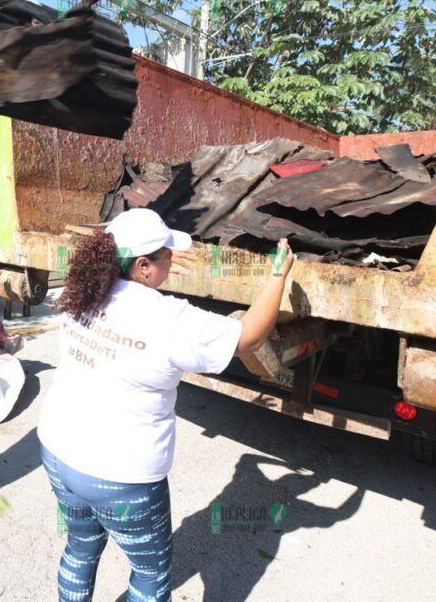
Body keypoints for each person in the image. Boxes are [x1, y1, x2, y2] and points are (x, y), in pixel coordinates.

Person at [37, 208, 294, 602]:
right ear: (143, 266)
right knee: (150, 575)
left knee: (80, 547)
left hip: (58, 453)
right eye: (166, 255)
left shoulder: (82, 293)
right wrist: (279, 273)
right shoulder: (169, 319)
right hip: (121, 477)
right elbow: (249, 338)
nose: (172, 260)